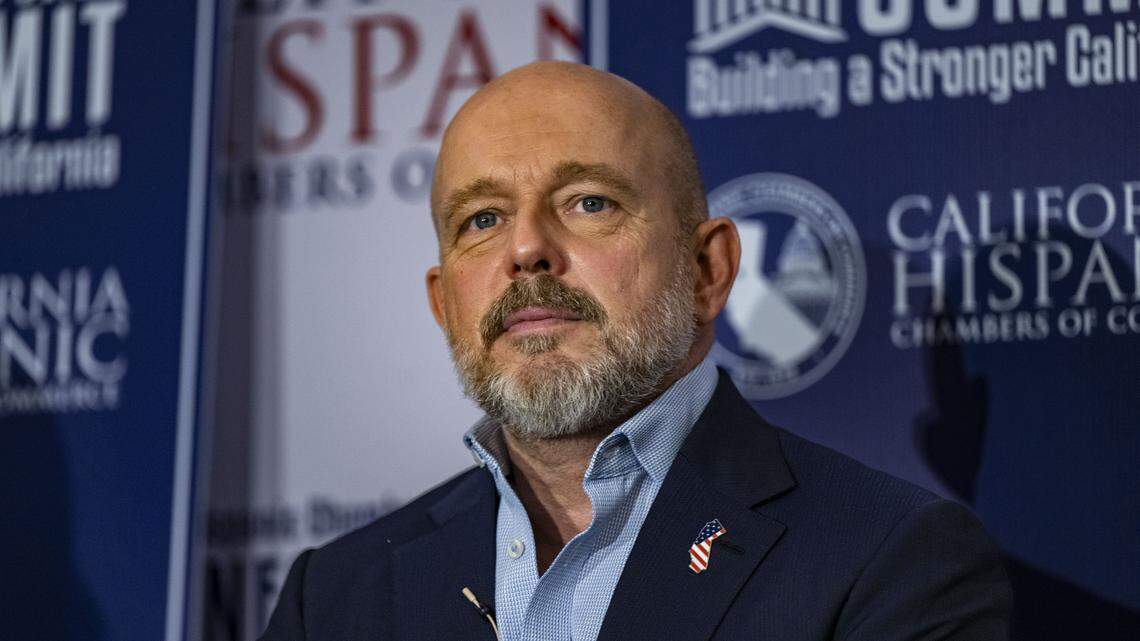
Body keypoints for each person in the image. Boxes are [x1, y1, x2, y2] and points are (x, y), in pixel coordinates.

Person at [261, 61, 1011, 641]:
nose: (526, 249)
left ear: (707, 271)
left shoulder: (889, 562)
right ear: (443, 303)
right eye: (482, 219)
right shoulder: (332, 597)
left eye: (589, 202)